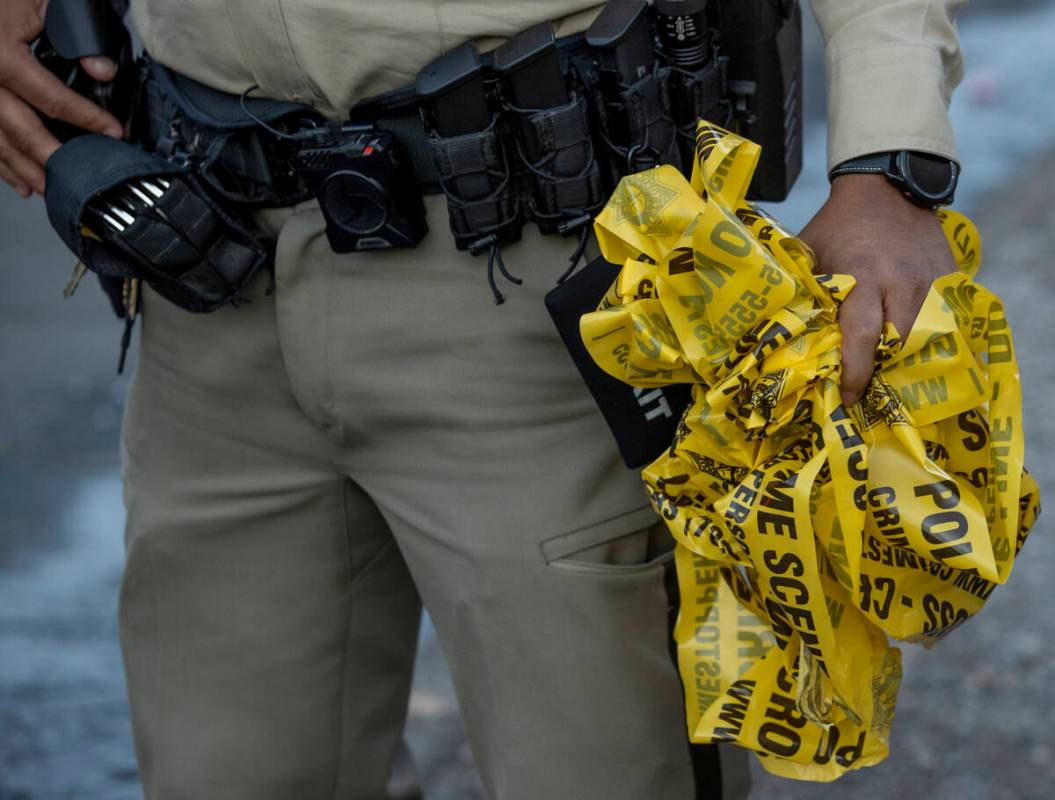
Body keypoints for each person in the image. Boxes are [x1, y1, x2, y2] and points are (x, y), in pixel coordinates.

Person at [0, 1, 966, 797]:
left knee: (601, 771)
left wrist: (890, 159)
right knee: (231, 772)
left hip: (546, 283)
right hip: (204, 265)